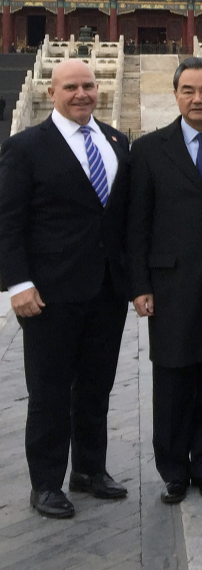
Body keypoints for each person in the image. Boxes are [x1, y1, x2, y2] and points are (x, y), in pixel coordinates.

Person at [0, 58, 131, 519]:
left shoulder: (116, 141)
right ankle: (46, 483)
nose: (82, 94)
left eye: (89, 86)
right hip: (50, 293)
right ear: (50, 92)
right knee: (50, 391)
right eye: (71, 87)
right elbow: (8, 220)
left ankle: (90, 470)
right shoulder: (26, 147)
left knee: (97, 387)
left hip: (107, 290)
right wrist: (17, 282)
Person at [128, 57, 202, 504]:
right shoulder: (149, 149)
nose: (198, 99)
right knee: (173, 380)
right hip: (170, 283)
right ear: (175, 94)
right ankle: (174, 471)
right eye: (188, 91)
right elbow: (136, 224)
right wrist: (139, 285)